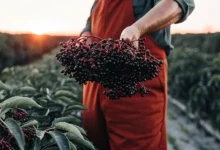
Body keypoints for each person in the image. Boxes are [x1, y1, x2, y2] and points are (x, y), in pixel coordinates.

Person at [81, 0, 195, 150]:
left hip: (136, 80)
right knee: (92, 142)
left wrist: (137, 28)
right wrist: (85, 36)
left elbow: (178, 3)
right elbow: (90, 21)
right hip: (94, 81)